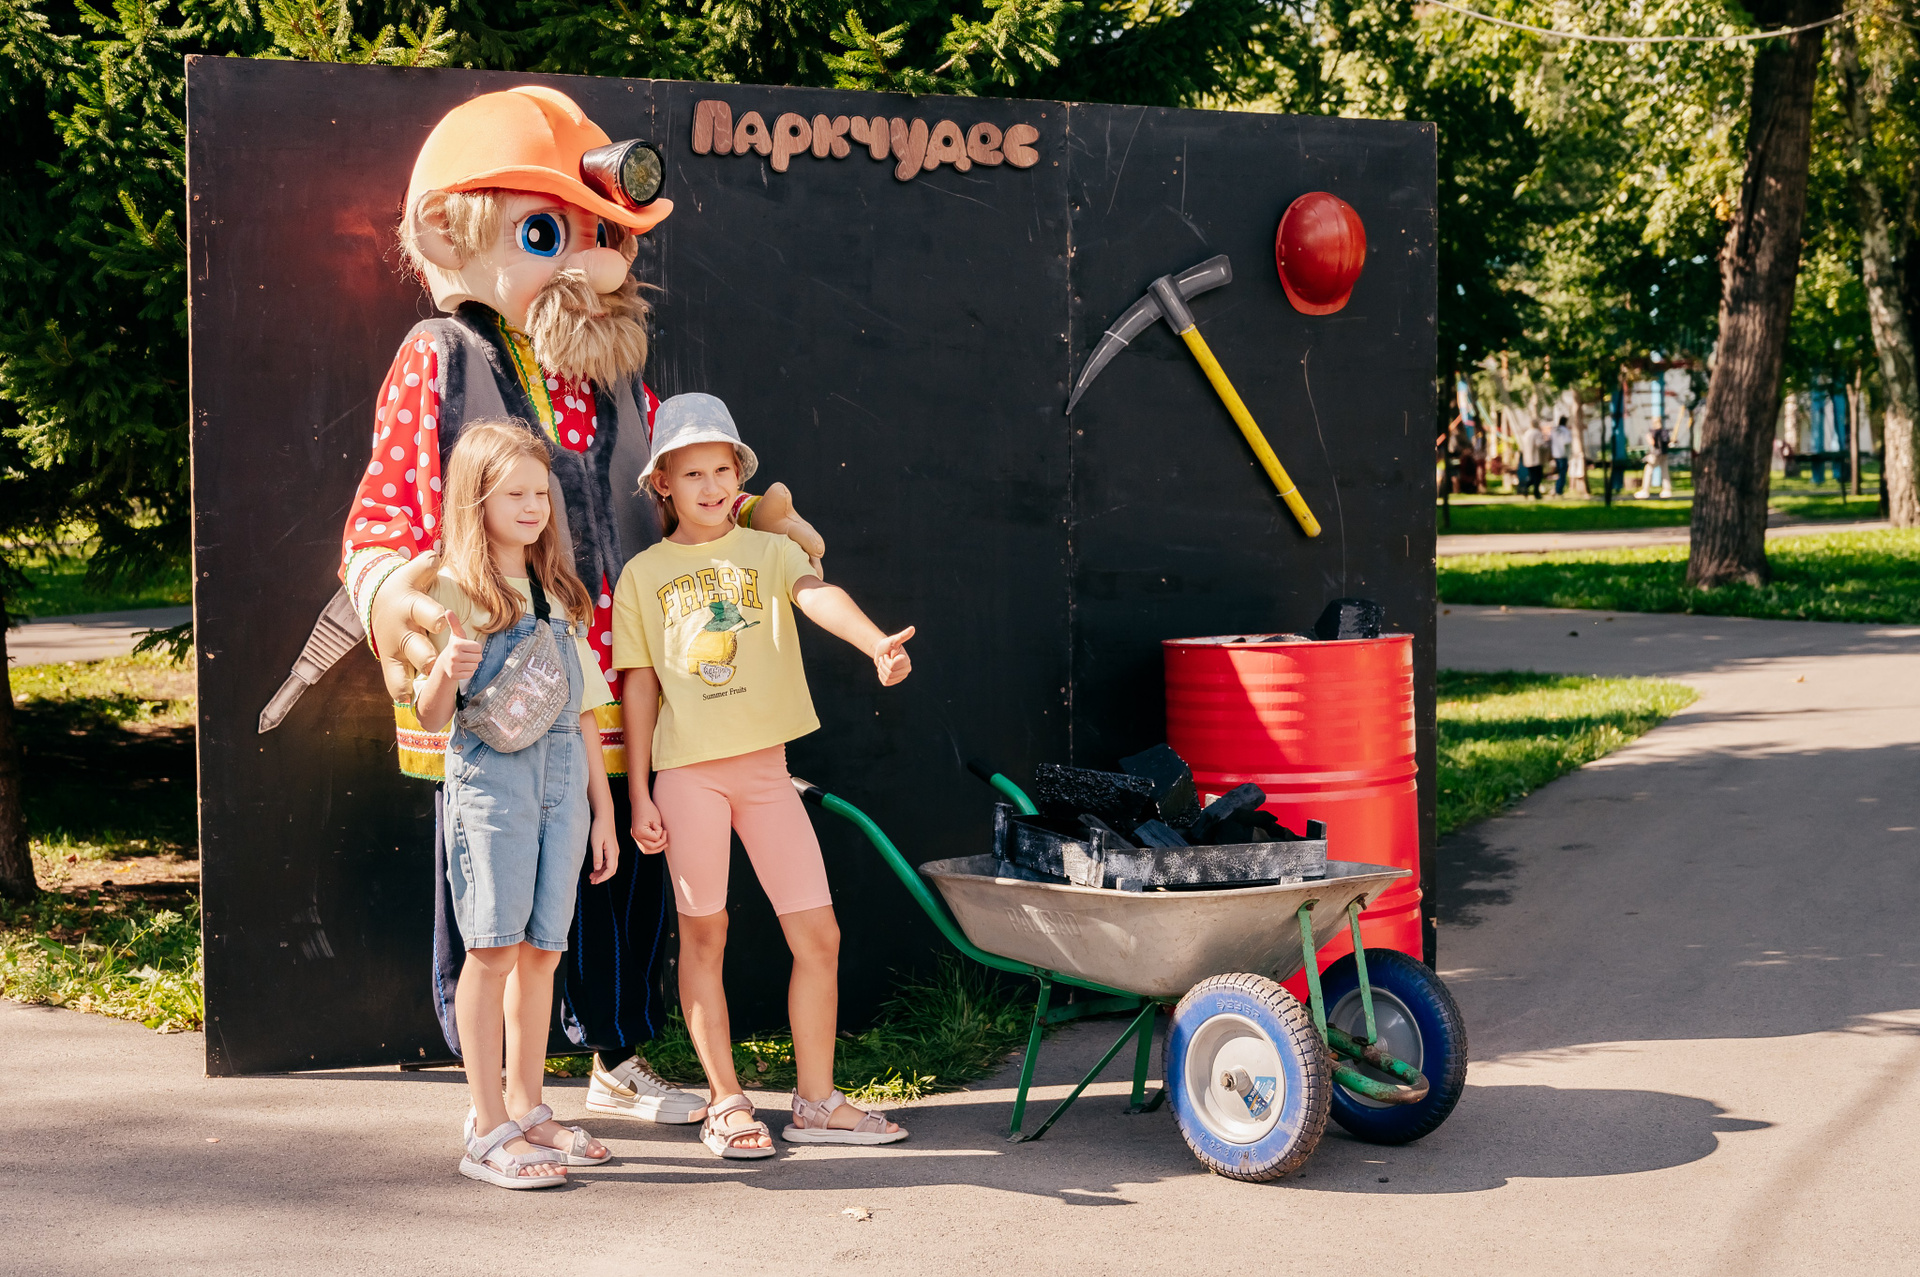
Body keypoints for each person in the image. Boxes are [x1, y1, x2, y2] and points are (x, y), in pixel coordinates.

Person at [613, 394, 917, 1159]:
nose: (711, 486)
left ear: (738, 475)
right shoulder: (643, 574)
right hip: (687, 777)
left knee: (819, 935)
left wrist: (875, 643)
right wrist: (639, 791)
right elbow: (638, 686)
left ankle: (815, 1101)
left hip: (767, 773)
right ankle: (727, 1101)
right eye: (693, 473)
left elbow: (818, 595)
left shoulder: (771, 550)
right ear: (663, 484)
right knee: (704, 935)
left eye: (722, 469)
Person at [412, 421, 619, 1189]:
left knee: (542, 951)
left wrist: (602, 810)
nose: (534, 507)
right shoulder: (451, 591)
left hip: (564, 786)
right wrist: (443, 668)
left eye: (542, 493)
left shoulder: (557, 592)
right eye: (516, 495)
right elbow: (433, 714)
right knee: (494, 948)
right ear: (477, 500)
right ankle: (487, 1123)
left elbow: (582, 707)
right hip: (494, 786)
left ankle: (529, 1107)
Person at [1518, 420, 1546, 499]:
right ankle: (1535, 492)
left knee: (1532, 476)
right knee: (1538, 476)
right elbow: (1539, 444)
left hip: (1528, 459)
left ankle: (1526, 487)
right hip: (1536, 458)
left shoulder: (1527, 433)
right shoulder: (1537, 433)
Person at [1550, 416, 1572, 496]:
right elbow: (1567, 441)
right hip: (1563, 454)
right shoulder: (1565, 430)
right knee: (1562, 473)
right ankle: (1559, 490)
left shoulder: (1555, 430)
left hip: (1556, 454)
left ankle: (1557, 489)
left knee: (1559, 472)